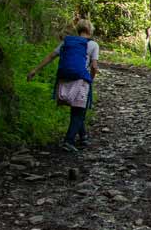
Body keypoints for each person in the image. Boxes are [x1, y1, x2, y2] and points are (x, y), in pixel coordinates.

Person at [28, 19, 100, 152]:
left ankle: (83, 136)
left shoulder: (67, 42)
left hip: (64, 78)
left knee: (77, 110)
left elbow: (51, 56)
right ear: (90, 30)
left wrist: (35, 70)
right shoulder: (93, 45)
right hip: (80, 80)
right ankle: (69, 140)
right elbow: (94, 66)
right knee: (79, 112)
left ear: (78, 30)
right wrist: (91, 78)